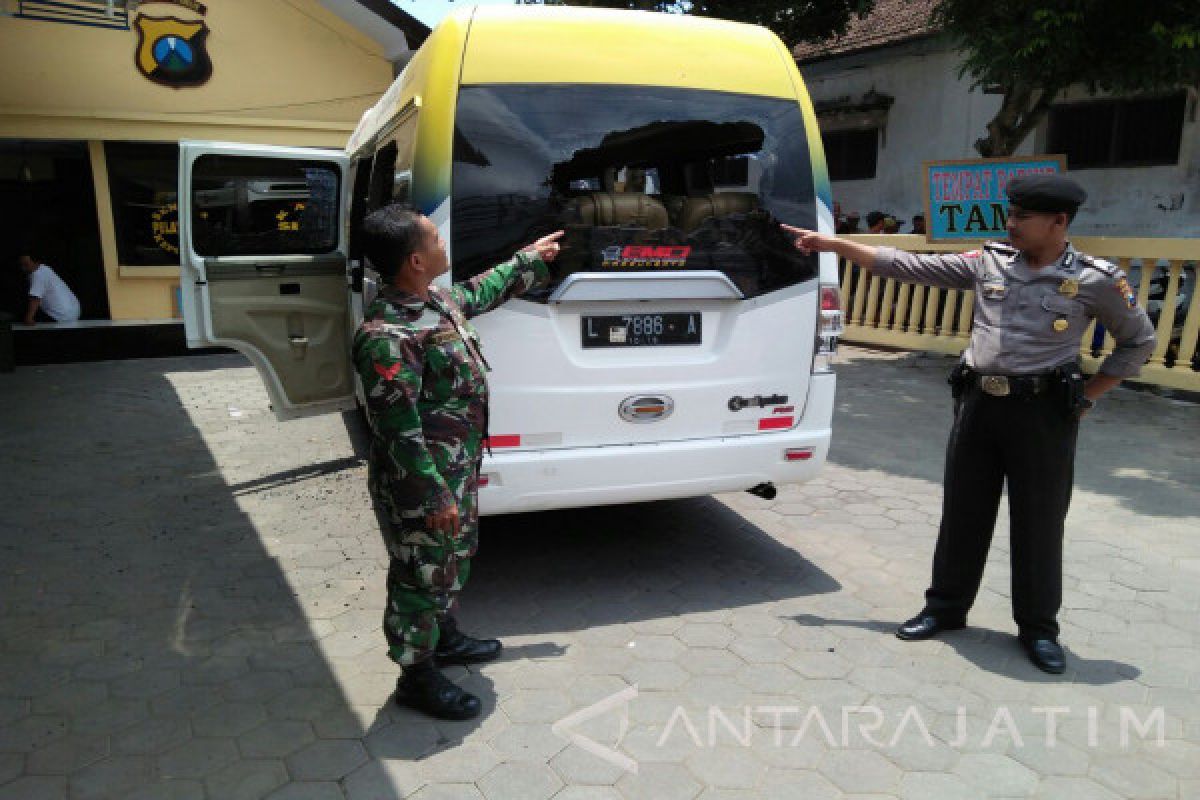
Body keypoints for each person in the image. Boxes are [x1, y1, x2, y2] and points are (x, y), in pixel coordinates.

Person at [783, 175, 1156, 674]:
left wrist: (1087, 397)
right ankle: (945, 609)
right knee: (963, 514)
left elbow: (1139, 342)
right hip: (979, 406)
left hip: (1044, 414)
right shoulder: (989, 262)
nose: (1012, 223)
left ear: (1058, 222)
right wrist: (834, 244)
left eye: (1023, 216)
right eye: (1012, 213)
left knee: (1039, 524)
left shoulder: (1096, 279)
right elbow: (908, 264)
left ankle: (1039, 629)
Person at [352, 204, 563, 719]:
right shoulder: (387, 335)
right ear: (415, 261)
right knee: (420, 572)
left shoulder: (434, 302)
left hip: (453, 470)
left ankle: (443, 640)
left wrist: (527, 260)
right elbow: (397, 430)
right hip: (421, 481)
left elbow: (477, 291)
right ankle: (416, 676)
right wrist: (433, 493)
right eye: (433, 238)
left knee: (449, 562)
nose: (442, 243)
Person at [18, 254, 80, 324]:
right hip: (73, 312)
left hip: (60, 316)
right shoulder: (44, 268)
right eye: (21, 265)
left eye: (26, 265)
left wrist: (29, 318)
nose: (23, 268)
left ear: (36, 262)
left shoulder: (38, 275)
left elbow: (35, 298)